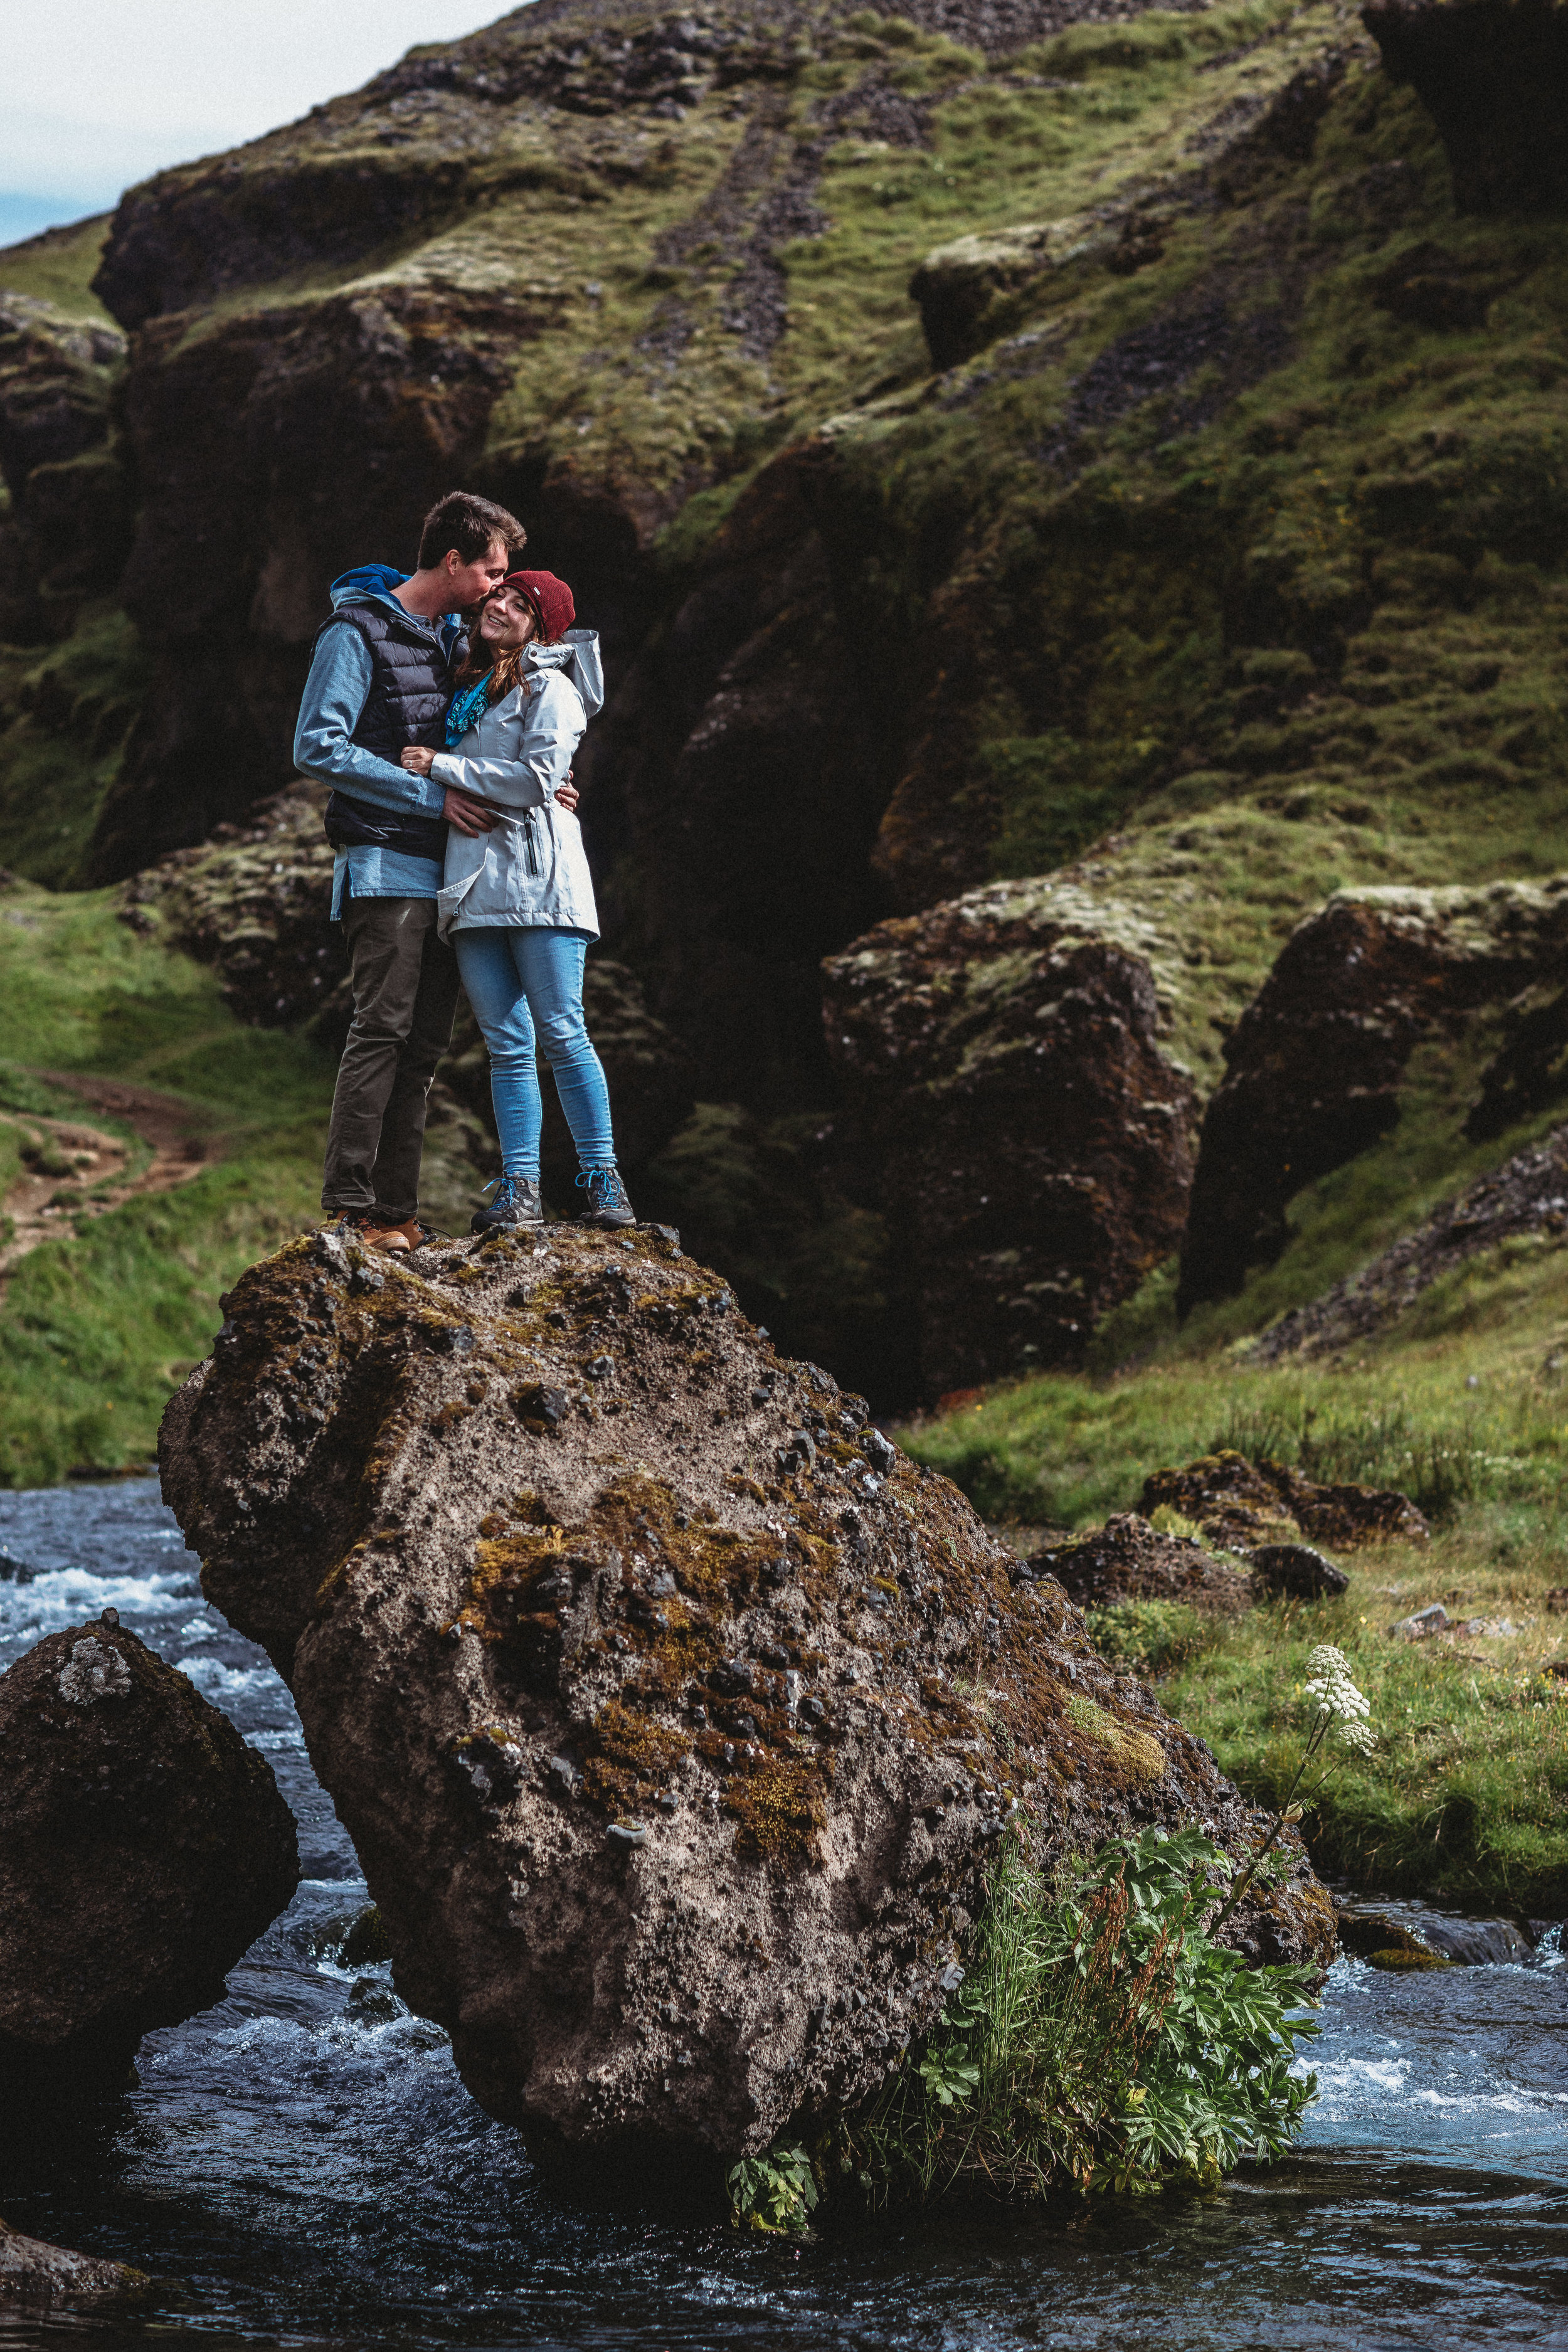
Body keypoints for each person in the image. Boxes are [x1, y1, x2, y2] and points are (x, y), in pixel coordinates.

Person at [293, 489, 524, 1254]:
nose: (501, 586)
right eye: (493, 570)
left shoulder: (453, 638)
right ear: (453, 561)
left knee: (423, 1050)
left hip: (451, 876)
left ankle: (395, 1214)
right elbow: (317, 747)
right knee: (382, 1032)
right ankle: (352, 1207)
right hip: (386, 865)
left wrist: (541, 780)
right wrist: (432, 796)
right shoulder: (353, 632)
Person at [399, 568, 635, 1233]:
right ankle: (521, 1189)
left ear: (541, 626)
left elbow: (535, 780)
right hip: (473, 886)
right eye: (498, 595)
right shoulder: (467, 687)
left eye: (519, 603)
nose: (499, 603)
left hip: (539, 883)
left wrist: (439, 766)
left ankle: (602, 1181)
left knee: (562, 1030)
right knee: (506, 1042)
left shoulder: (550, 687)